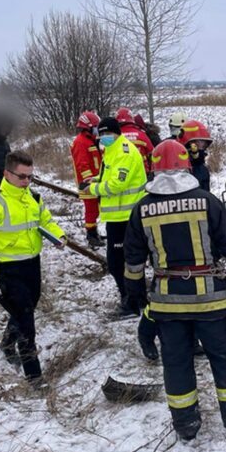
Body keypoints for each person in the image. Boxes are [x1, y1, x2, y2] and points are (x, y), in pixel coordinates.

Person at [124, 139, 226, 440]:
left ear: (153, 169)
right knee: (224, 359)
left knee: (176, 362)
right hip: (209, 302)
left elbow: (133, 261)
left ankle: (186, 425)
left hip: (166, 303)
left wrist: (135, 294)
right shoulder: (207, 201)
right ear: (187, 166)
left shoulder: (142, 209)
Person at [0, 150, 67, 389]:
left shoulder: (33, 197)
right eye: (22, 177)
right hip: (8, 268)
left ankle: (6, 343)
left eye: (30, 177)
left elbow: (46, 221)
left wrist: (59, 235)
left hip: (32, 264)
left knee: (26, 310)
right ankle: (34, 377)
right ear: (7, 174)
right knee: (26, 321)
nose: (26, 182)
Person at [85, 117, 148, 316]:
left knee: (120, 263)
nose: (103, 138)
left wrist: (93, 188)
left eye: (107, 134)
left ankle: (132, 303)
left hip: (126, 217)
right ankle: (133, 299)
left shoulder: (124, 152)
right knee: (121, 262)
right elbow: (110, 177)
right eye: (101, 134)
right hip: (117, 217)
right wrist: (95, 179)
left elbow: (116, 185)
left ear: (116, 133)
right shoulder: (112, 151)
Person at [71, 110, 103, 248]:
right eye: (95, 126)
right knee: (92, 210)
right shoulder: (81, 142)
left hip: (94, 181)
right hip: (87, 183)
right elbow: (82, 165)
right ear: (88, 127)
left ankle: (94, 233)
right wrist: (88, 181)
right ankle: (91, 235)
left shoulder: (90, 140)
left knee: (95, 209)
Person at [116, 107, 155, 175]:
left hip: (120, 175)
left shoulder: (114, 136)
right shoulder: (142, 134)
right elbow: (152, 153)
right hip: (141, 174)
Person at [178, 119, 213, 192]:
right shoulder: (179, 170)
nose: (203, 144)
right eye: (200, 141)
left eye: (204, 141)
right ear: (189, 143)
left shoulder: (202, 167)